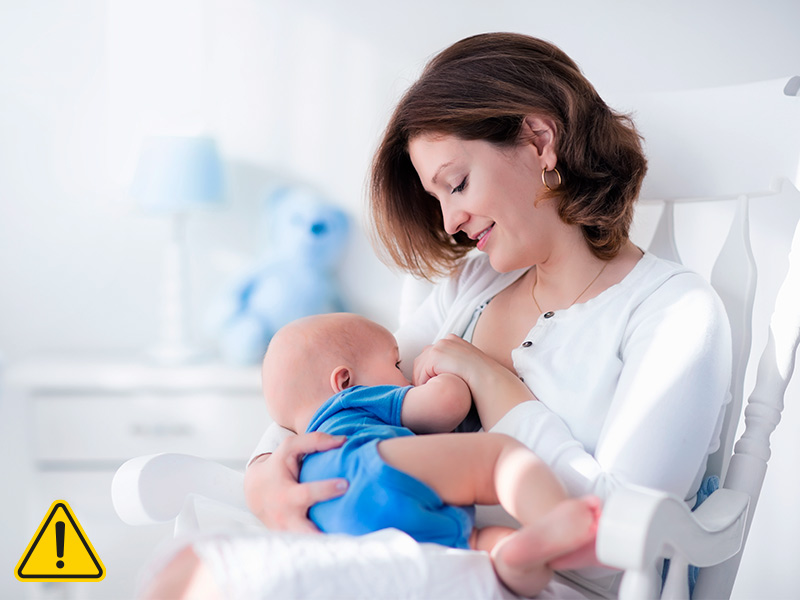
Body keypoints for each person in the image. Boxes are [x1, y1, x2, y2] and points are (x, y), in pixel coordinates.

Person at [145, 32, 732, 598]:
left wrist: (495, 385)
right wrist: (264, 471)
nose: (450, 221)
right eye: (437, 198)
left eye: (456, 183)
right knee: (189, 572)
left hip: (541, 581)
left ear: (539, 139)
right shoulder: (472, 284)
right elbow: (343, 387)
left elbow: (619, 540)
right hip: (401, 557)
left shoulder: (673, 313)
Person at [260, 311, 601, 597]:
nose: (405, 375)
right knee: (498, 458)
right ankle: (557, 519)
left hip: (330, 521)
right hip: (369, 466)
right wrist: (445, 378)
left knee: (475, 544)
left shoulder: (303, 452)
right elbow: (447, 405)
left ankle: (511, 555)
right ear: (345, 380)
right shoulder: (353, 402)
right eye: (396, 363)